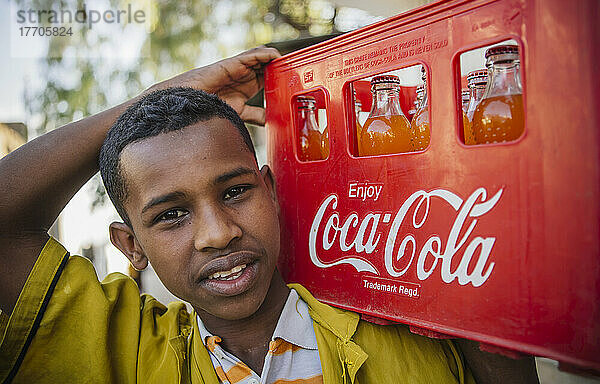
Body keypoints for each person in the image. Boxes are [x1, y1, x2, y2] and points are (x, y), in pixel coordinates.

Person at [0, 47, 539, 383]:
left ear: (272, 190)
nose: (217, 233)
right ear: (130, 246)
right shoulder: (129, 352)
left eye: (234, 192)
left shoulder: (415, 328)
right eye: (170, 216)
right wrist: (155, 99)